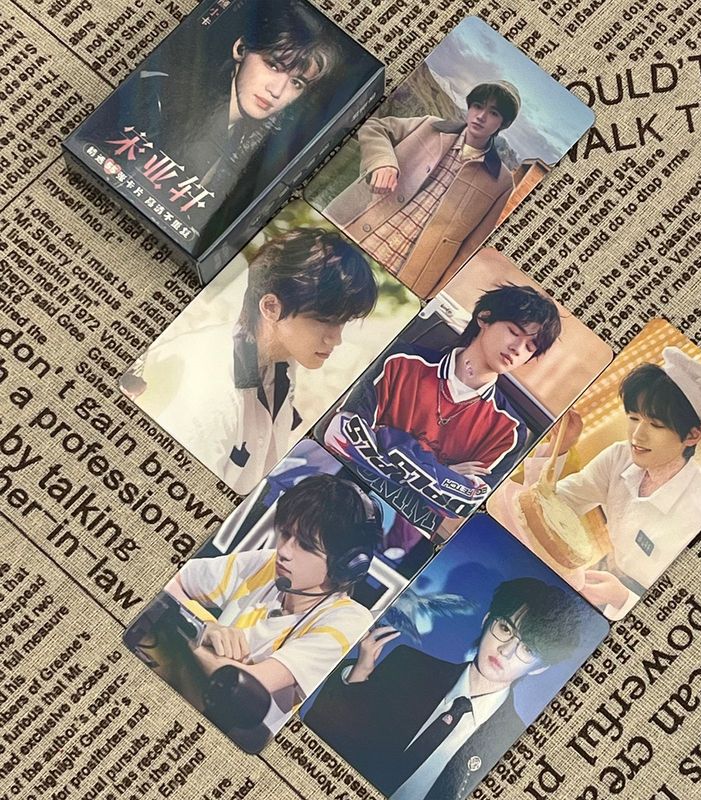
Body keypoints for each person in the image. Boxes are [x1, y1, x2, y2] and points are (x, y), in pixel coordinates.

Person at [123, 228, 377, 494]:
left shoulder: (279, 360)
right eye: (325, 320)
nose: (336, 339)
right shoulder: (211, 392)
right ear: (270, 307)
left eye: (343, 321)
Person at [304, 577, 585, 800]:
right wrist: (360, 673)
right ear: (487, 620)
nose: (506, 650)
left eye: (527, 649)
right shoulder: (410, 665)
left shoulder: (516, 745)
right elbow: (319, 740)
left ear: (539, 667)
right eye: (505, 628)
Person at [508, 347, 701, 619]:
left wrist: (623, 598)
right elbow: (552, 503)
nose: (637, 435)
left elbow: (693, 604)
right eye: (634, 418)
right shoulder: (620, 456)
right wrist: (560, 446)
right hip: (609, 568)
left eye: (655, 425)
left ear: (692, 436)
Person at [155, 474, 379, 736]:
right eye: (286, 533)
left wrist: (181, 630)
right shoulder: (268, 563)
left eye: (306, 545)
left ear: (347, 565)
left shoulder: (350, 620)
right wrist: (204, 627)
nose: (284, 551)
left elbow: (243, 687)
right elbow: (170, 580)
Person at [324, 284, 561, 531]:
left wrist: (384, 438)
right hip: (334, 492)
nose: (518, 349)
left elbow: (462, 505)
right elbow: (340, 434)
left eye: (530, 347)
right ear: (484, 318)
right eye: (514, 332)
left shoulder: (509, 430)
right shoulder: (400, 360)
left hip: (407, 534)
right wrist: (443, 473)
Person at [95, 3, 339, 237]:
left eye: (296, 83)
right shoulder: (162, 96)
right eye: (273, 65)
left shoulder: (252, 149)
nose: (276, 90)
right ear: (241, 49)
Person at [325, 81, 521, 298]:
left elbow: (470, 248)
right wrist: (383, 161)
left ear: (503, 123)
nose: (481, 116)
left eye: (493, 113)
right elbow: (374, 127)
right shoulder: (429, 126)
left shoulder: (502, 183)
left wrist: (433, 295)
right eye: (477, 106)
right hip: (362, 230)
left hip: (408, 272)